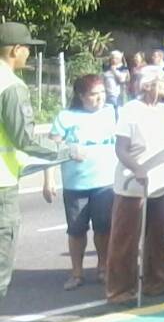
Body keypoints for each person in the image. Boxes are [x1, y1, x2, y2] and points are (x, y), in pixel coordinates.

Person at [0, 23, 82, 322]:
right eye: (27, 48)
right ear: (14, 50)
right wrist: (67, 152)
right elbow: (25, 139)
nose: (29, 53)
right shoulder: (11, 86)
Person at [106, 73, 164, 305]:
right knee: (125, 238)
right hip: (133, 182)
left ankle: (156, 281)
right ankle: (119, 289)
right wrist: (136, 168)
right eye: (161, 80)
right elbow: (121, 149)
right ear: (147, 86)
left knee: (157, 234)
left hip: (160, 180)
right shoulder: (130, 110)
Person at [43, 75, 118, 290]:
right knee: (76, 230)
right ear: (81, 96)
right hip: (75, 184)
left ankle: (103, 267)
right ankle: (77, 272)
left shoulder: (111, 113)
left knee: (104, 228)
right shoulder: (66, 117)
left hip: (105, 182)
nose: (99, 98)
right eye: (93, 94)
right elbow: (51, 151)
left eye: (102, 93)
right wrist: (49, 181)